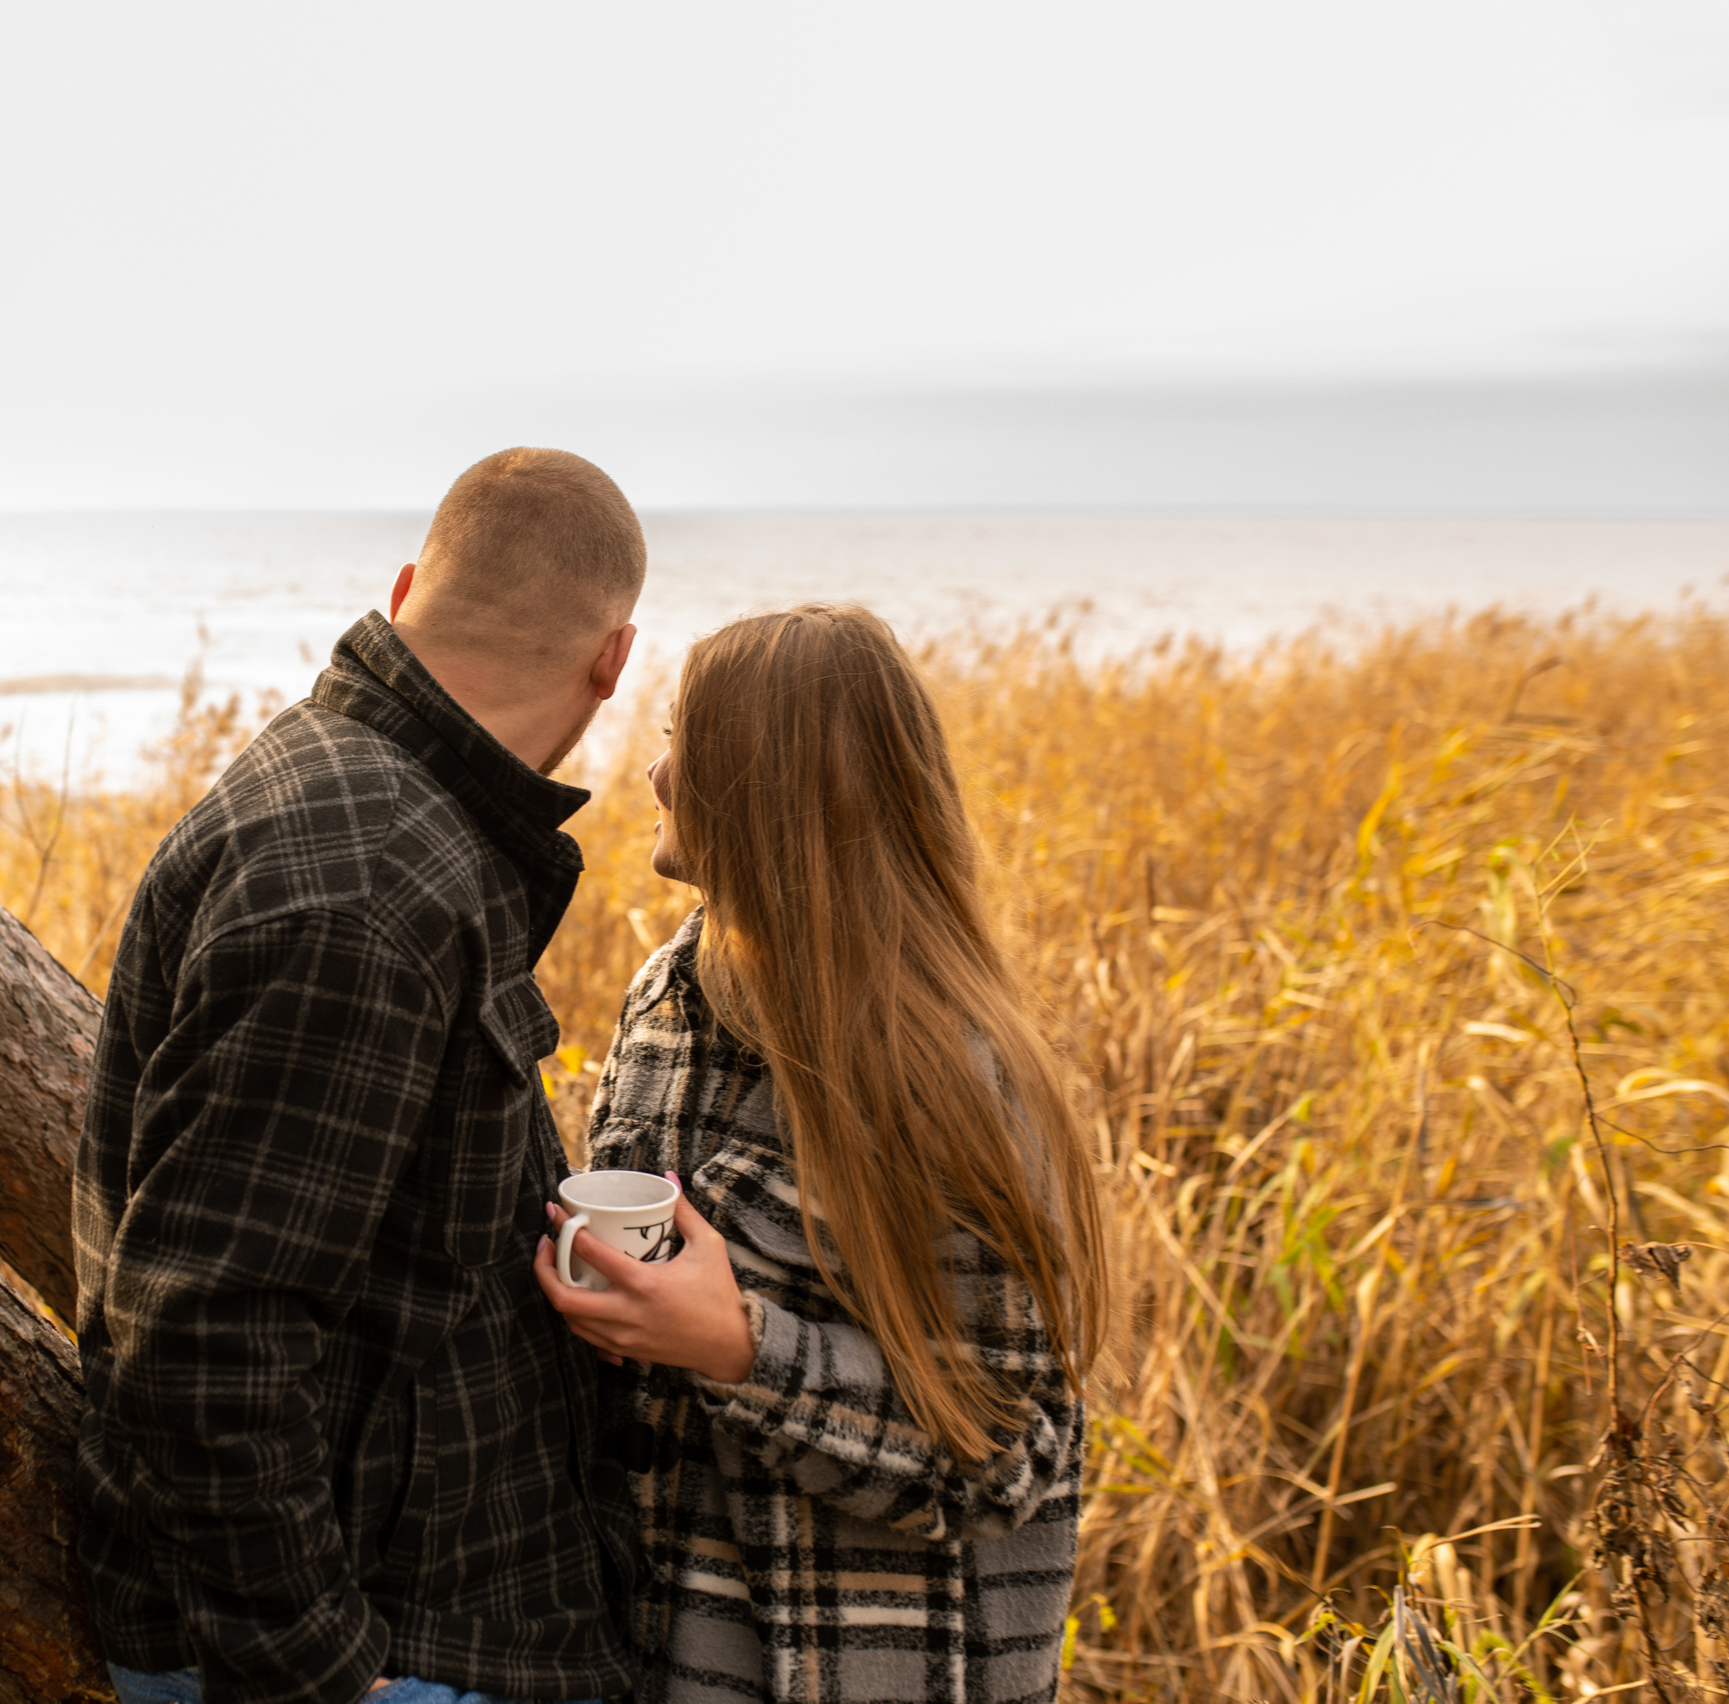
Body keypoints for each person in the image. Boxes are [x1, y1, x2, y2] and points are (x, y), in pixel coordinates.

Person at [76, 448, 648, 1704]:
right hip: (383, 1647)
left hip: (424, 1605)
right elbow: (205, 1323)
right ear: (613, 661)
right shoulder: (369, 881)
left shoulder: (369, 810)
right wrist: (322, 1675)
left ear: (403, 592)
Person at [533, 604, 1108, 1704]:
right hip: (657, 1647)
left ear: (768, 783)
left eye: (681, 742)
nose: (653, 775)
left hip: (853, 1665)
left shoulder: (946, 1074)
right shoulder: (670, 991)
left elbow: (1015, 1458)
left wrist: (743, 1349)